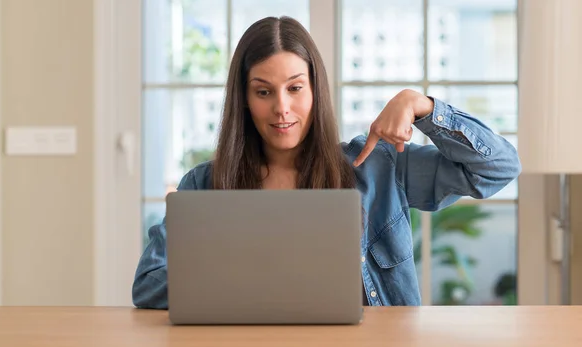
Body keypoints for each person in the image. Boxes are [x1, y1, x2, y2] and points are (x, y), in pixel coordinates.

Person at [132, 16, 521, 309]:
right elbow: (149, 284)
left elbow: (498, 168)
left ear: (316, 90)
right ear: (244, 99)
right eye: (263, 91)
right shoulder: (205, 185)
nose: (281, 108)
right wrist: (251, 281)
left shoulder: (377, 167)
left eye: (295, 88)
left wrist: (423, 107)